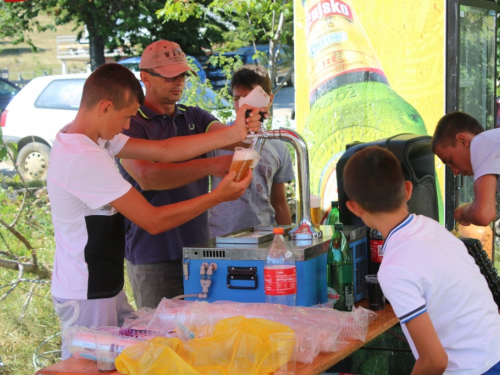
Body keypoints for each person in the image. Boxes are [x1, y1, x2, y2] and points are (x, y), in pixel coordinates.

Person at [47, 62, 263, 359]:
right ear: (105, 108)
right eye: (125, 118)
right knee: (89, 366)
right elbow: (153, 220)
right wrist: (217, 196)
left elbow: (165, 150)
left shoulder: (92, 138)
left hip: (100, 284)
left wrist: (233, 133)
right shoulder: (83, 157)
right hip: (86, 292)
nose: (126, 127)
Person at [118, 40, 261, 309]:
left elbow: (235, 139)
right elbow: (148, 176)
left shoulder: (194, 116)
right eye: (170, 76)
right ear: (145, 78)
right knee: (161, 340)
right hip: (153, 255)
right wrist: (211, 165)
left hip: (198, 251)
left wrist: (251, 120)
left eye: (183, 74)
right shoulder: (129, 122)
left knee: (202, 339)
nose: (179, 82)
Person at [343, 145, 500, 375]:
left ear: (354, 207)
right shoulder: (434, 230)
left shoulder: (394, 267)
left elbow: (434, 361)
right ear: (408, 190)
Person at [209, 65, 294, 238]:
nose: (243, 105)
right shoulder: (216, 140)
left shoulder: (278, 145)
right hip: (220, 238)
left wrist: (288, 239)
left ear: (268, 99)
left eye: (250, 98)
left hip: (264, 236)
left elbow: (279, 202)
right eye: (237, 99)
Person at [431, 111, 498, 227]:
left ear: (463, 140)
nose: (455, 172)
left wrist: (464, 211)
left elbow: (483, 214)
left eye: (450, 160)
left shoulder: (480, 142)